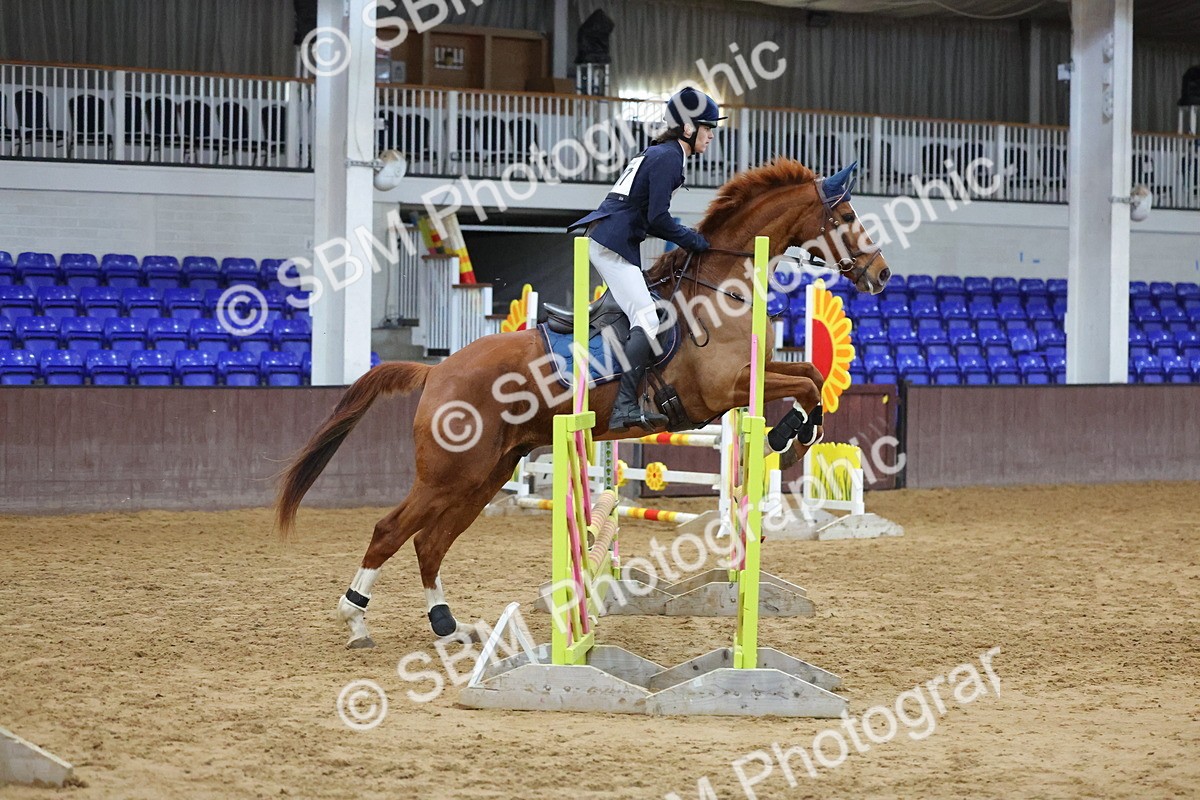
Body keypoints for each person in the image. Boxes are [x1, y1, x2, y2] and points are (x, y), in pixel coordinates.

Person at [568, 87, 724, 432]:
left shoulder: (662, 153)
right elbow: (657, 218)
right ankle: (623, 407)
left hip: (613, 240)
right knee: (648, 318)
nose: (711, 135)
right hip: (612, 243)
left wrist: (687, 237)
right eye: (707, 128)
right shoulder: (669, 157)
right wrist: (693, 241)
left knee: (644, 312)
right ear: (687, 128)